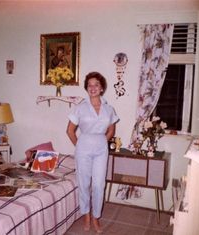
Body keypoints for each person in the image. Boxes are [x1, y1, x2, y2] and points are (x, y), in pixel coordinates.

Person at [66, 72, 119, 233]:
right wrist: (80, 145)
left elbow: (111, 129)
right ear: (86, 88)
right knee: (84, 183)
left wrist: (103, 140)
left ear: (101, 88)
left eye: (96, 84)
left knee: (98, 184)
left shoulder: (109, 109)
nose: (93, 88)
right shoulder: (80, 108)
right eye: (90, 85)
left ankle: (96, 216)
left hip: (101, 149)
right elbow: (69, 131)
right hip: (83, 147)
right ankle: (86, 215)